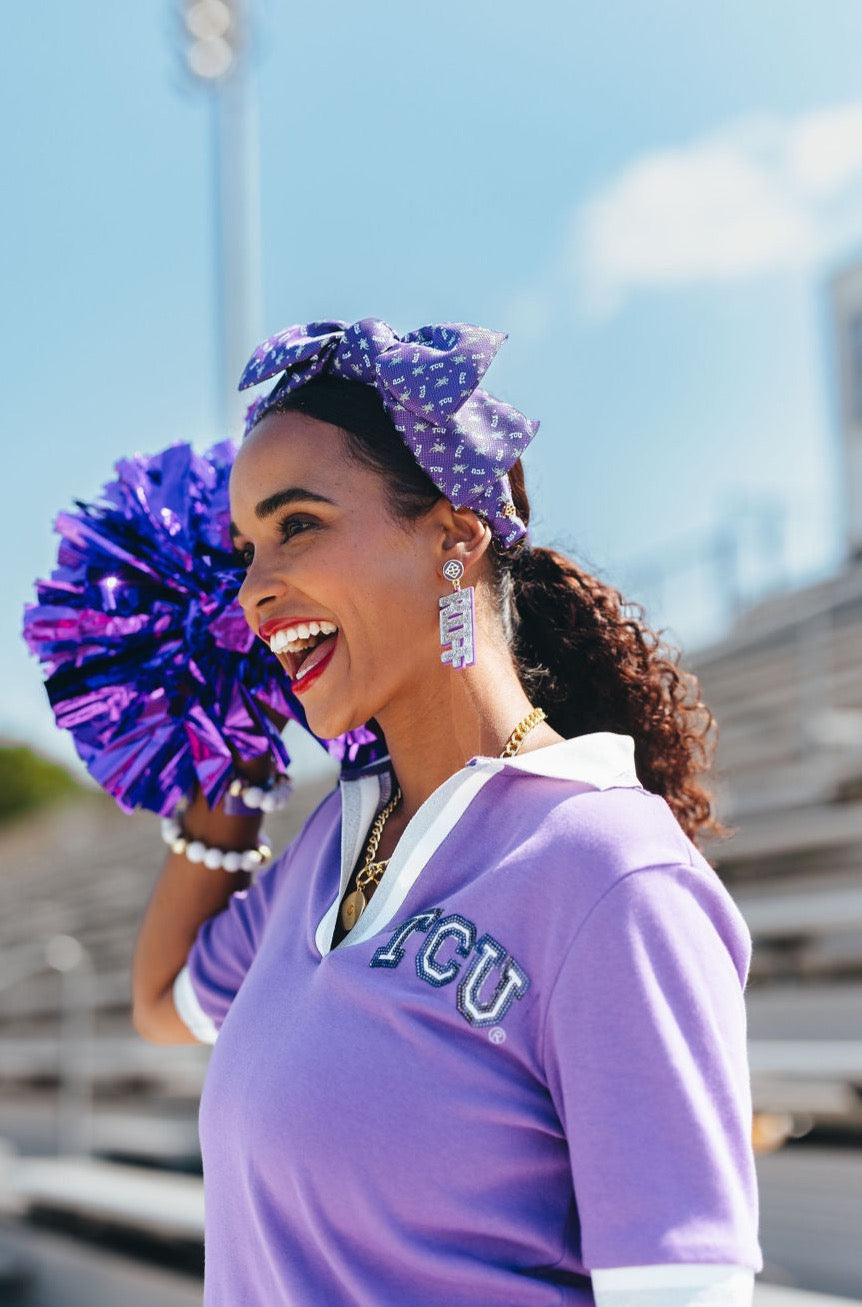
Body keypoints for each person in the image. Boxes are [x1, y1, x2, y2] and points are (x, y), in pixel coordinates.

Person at [132, 320, 763, 1306]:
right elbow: (163, 999)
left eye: (296, 523)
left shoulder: (609, 872)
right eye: (246, 548)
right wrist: (229, 739)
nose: (254, 590)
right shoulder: (330, 852)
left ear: (453, 539)